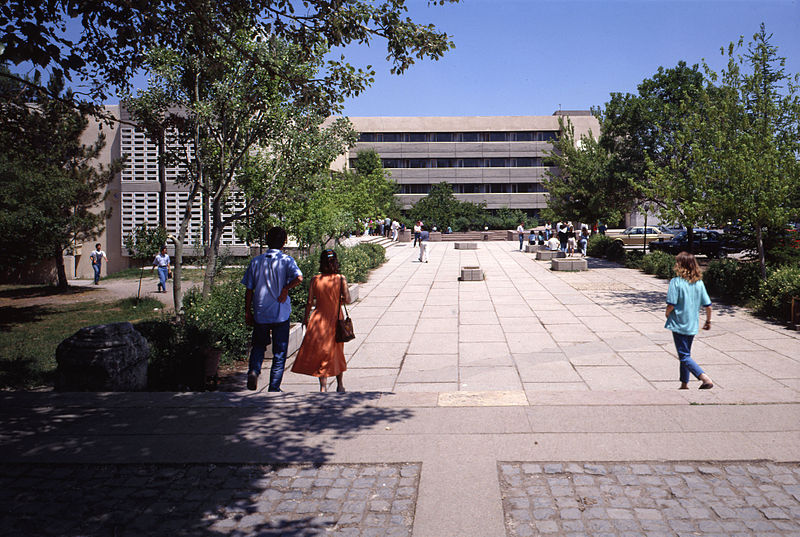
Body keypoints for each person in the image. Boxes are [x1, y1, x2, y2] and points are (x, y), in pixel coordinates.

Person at [242, 227, 303, 392]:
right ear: (284, 242)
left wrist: (247, 311)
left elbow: (249, 289)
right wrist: (285, 289)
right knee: (279, 351)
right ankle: (274, 387)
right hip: (280, 313)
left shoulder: (256, 261)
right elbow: (299, 277)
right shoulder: (286, 260)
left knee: (258, 346)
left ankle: (254, 370)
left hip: (261, 312)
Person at [291, 250, 351, 392]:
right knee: (336, 352)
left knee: (322, 353)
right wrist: (338, 300)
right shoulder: (340, 279)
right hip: (336, 320)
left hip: (319, 320)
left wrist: (305, 319)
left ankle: (323, 387)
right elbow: (348, 299)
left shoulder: (315, 279)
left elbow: (309, 302)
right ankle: (340, 384)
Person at [665, 252, 714, 390]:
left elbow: (671, 304)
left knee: (684, 355)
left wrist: (667, 313)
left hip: (679, 323)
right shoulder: (699, 283)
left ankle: (704, 378)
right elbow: (708, 306)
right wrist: (708, 321)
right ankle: (684, 384)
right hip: (692, 324)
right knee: (685, 353)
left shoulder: (676, 282)